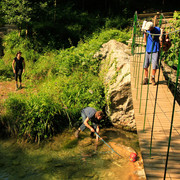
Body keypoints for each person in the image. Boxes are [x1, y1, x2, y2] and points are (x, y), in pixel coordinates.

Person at [143, 21, 161, 86]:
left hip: (155, 49)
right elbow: (145, 40)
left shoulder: (157, 29)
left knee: (154, 65)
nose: (148, 30)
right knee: (145, 65)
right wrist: (144, 33)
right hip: (148, 49)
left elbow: (159, 32)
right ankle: (146, 78)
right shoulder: (147, 31)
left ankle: (153, 77)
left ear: (152, 27)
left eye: (149, 29)